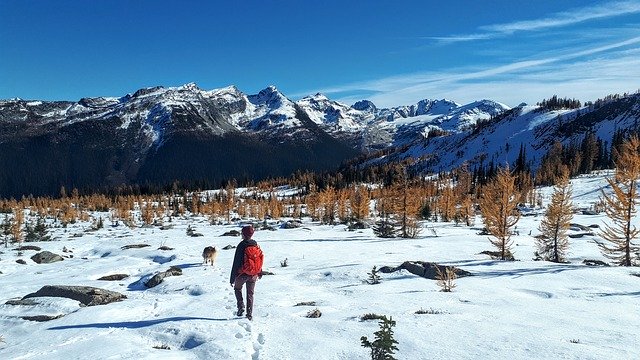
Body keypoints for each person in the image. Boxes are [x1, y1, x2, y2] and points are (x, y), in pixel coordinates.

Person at [230, 225, 263, 320]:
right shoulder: (255, 244)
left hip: (242, 274)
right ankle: (249, 314)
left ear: (244, 234)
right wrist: (259, 272)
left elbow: (236, 262)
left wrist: (232, 278)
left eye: (242, 233)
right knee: (250, 294)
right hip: (253, 274)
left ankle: (241, 306)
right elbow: (259, 260)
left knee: (237, 288)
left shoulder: (241, 245)